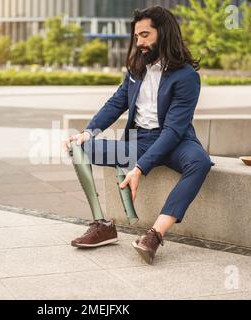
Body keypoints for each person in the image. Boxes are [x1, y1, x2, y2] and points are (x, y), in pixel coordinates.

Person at [63, 5, 214, 265]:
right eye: (136, 37)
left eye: (145, 35)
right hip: (139, 141)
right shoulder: (136, 69)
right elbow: (115, 103)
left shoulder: (186, 76)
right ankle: (103, 225)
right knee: (77, 147)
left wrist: (140, 168)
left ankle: (154, 235)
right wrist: (88, 132)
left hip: (176, 142)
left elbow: (174, 130)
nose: (139, 42)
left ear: (163, 33)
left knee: (199, 162)